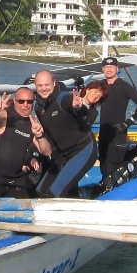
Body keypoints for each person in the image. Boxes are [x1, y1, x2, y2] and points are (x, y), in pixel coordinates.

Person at [0, 87, 51, 198]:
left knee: (26, 205)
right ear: (15, 101)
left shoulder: (32, 124)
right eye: (21, 101)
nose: (26, 105)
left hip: (14, 177)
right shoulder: (5, 116)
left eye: (29, 101)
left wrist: (40, 135)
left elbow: (46, 151)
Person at [33, 70, 98, 198]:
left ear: (54, 83)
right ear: (36, 86)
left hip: (83, 149)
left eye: (47, 85)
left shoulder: (63, 98)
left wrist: (79, 106)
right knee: (41, 190)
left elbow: (78, 109)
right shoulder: (38, 107)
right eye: (40, 86)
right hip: (63, 154)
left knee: (54, 192)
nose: (44, 89)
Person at [98, 56, 137, 178]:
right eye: (106, 67)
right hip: (104, 132)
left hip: (118, 132)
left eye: (111, 67)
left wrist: (128, 123)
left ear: (117, 68)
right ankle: (104, 188)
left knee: (114, 166)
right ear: (102, 69)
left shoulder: (124, 86)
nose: (109, 69)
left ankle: (115, 189)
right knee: (103, 165)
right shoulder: (101, 86)